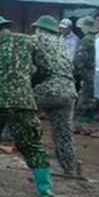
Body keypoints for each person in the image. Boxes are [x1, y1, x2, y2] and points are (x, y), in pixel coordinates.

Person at [0, 15, 53, 197]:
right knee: (32, 146)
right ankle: (45, 193)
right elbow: (47, 68)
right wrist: (27, 84)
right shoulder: (29, 41)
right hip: (21, 102)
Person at [31, 15, 78, 175]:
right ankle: (70, 170)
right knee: (64, 133)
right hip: (68, 92)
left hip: (47, 88)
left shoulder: (35, 41)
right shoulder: (63, 46)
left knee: (15, 114)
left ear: (39, 29)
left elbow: (30, 69)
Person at [74, 16, 98, 123]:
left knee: (85, 94)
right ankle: (92, 116)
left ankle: (83, 118)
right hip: (96, 70)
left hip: (87, 70)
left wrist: (76, 68)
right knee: (93, 94)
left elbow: (81, 56)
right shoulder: (98, 37)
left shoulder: (86, 40)